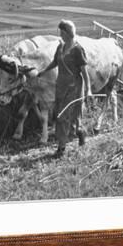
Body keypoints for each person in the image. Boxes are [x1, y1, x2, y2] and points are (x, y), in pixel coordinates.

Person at [37, 20, 92, 157]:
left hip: (74, 88)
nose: (60, 34)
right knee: (61, 116)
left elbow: (84, 72)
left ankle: (73, 138)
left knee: (68, 117)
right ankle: (65, 144)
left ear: (67, 32)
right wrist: (43, 71)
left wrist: (88, 90)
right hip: (61, 86)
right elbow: (55, 62)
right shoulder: (60, 48)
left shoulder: (78, 50)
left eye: (62, 31)